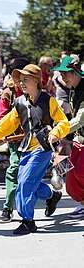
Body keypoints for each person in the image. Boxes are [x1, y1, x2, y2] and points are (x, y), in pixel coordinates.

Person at [0, 64, 70, 235]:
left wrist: (56, 132)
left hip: (43, 149)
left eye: (25, 79)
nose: (21, 83)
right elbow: (4, 126)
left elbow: (63, 122)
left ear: (37, 81)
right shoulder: (19, 103)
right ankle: (51, 195)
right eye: (20, 80)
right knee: (25, 182)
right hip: (25, 148)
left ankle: (28, 221)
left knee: (25, 183)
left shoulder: (48, 100)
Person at [0, 58, 29, 223]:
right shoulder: (8, 93)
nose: (21, 80)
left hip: (35, 141)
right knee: (14, 169)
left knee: (29, 175)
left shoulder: (36, 90)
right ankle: (7, 208)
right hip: (17, 140)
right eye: (17, 75)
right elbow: (2, 117)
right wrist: (3, 132)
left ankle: (51, 195)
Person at [52, 55, 84, 217]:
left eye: (65, 73)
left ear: (76, 73)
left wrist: (58, 132)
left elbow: (79, 120)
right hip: (78, 140)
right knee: (71, 182)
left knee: (80, 172)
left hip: (80, 137)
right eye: (61, 73)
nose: (62, 77)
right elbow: (71, 118)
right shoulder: (72, 92)